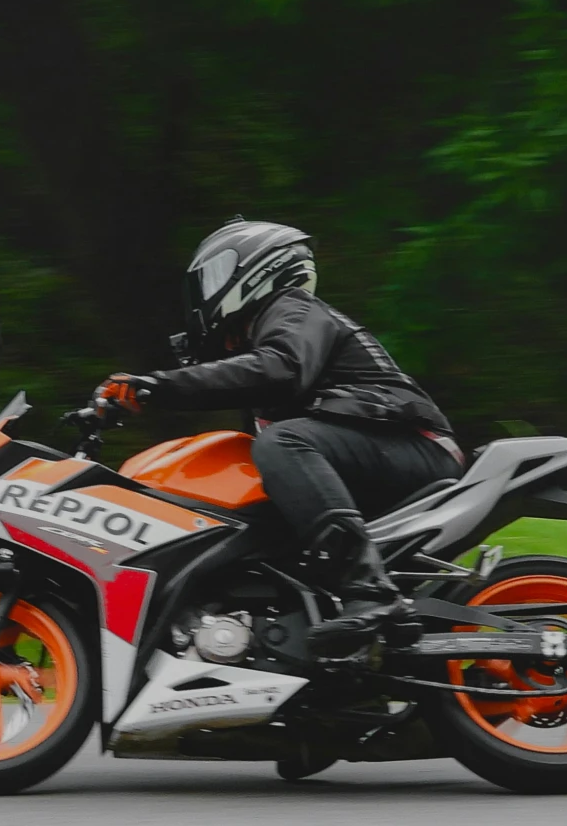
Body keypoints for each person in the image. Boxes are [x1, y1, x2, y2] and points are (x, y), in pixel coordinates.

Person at [96, 220, 463, 654]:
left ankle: (372, 593)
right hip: (370, 455)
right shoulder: (267, 336)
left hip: (413, 446)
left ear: (257, 268)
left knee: (282, 444)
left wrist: (159, 385)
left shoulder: (294, 309)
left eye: (214, 277)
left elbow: (280, 368)